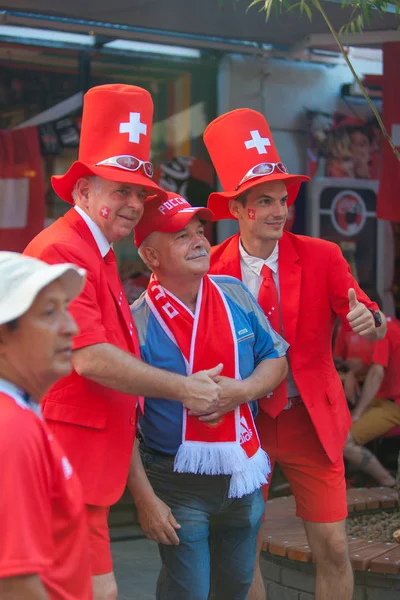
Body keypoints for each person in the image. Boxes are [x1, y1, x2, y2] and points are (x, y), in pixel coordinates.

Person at [23, 84, 221, 600]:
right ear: (83, 191)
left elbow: (110, 388)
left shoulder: (97, 254)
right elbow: (89, 361)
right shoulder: (65, 252)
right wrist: (185, 389)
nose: (135, 203)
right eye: (121, 190)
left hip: (84, 471)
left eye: (140, 192)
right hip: (64, 466)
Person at [203, 108, 386, 600]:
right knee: (244, 549)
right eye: (265, 202)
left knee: (333, 546)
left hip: (311, 420)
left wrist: (371, 319)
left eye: (283, 200)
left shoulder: (323, 255)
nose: (281, 211)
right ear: (238, 210)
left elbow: (366, 309)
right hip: (245, 423)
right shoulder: (212, 267)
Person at [129, 192, 288, 600]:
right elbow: (122, 422)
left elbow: (276, 359)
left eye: (200, 231)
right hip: (176, 480)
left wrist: (244, 391)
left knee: (236, 586)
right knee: (190, 591)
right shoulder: (137, 322)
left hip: (242, 473)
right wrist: (146, 500)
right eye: (182, 236)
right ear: (151, 256)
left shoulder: (233, 292)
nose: (200, 241)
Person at [0, 251, 92, 599]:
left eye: (64, 307)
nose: (71, 326)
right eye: (49, 312)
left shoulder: (18, 415)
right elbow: (14, 584)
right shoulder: (11, 429)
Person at [335, 317, 400, 487]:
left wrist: (358, 413)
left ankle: (389, 483)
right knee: (337, 428)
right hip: (384, 400)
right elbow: (371, 368)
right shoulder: (390, 324)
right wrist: (351, 374)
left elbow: (376, 372)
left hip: (393, 404)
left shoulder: (382, 330)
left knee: (343, 442)